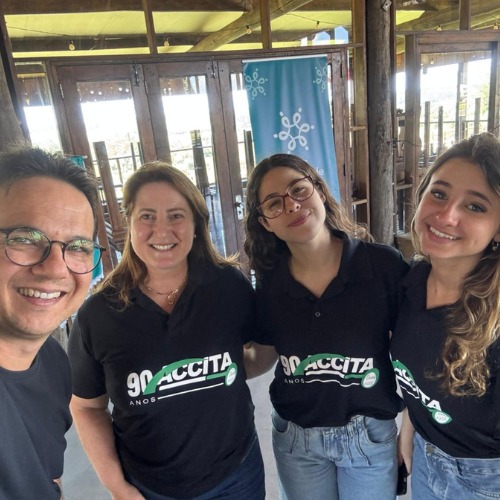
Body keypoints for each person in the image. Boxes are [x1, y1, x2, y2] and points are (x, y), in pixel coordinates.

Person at [68, 162, 265, 500]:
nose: (162, 230)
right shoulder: (97, 315)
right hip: (150, 487)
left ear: (195, 224)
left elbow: (256, 352)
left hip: (237, 475)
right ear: (129, 223)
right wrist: (117, 487)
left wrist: (219, 373)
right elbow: (87, 408)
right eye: (147, 216)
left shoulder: (227, 286)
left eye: (176, 215)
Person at [243, 153, 409, 500]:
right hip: (296, 440)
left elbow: (415, 354)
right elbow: (263, 357)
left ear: (319, 190)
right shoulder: (270, 284)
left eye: (298, 190)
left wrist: (410, 427)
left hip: (369, 436)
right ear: (265, 222)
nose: (291, 205)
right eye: (274, 203)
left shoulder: (382, 265)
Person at [392, 132, 500, 499]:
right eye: (439, 193)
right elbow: (418, 377)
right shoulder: (410, 282)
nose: (446, 215)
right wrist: (409, 430)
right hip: (426, 457)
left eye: (475, 206)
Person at [0, 146, 103, 499]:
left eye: (77, 247)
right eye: (25, 238)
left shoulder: (54, 361)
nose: (56, 268)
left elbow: (48, 476)